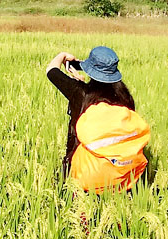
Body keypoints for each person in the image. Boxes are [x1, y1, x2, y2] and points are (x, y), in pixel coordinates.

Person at [47, 47, 150, 192]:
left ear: (90, 70)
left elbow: (51, 71)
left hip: (85, 175)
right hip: (122, 174)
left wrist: (63, 55)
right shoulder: (125, 97)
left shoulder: (80, 94)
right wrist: (81, 84)